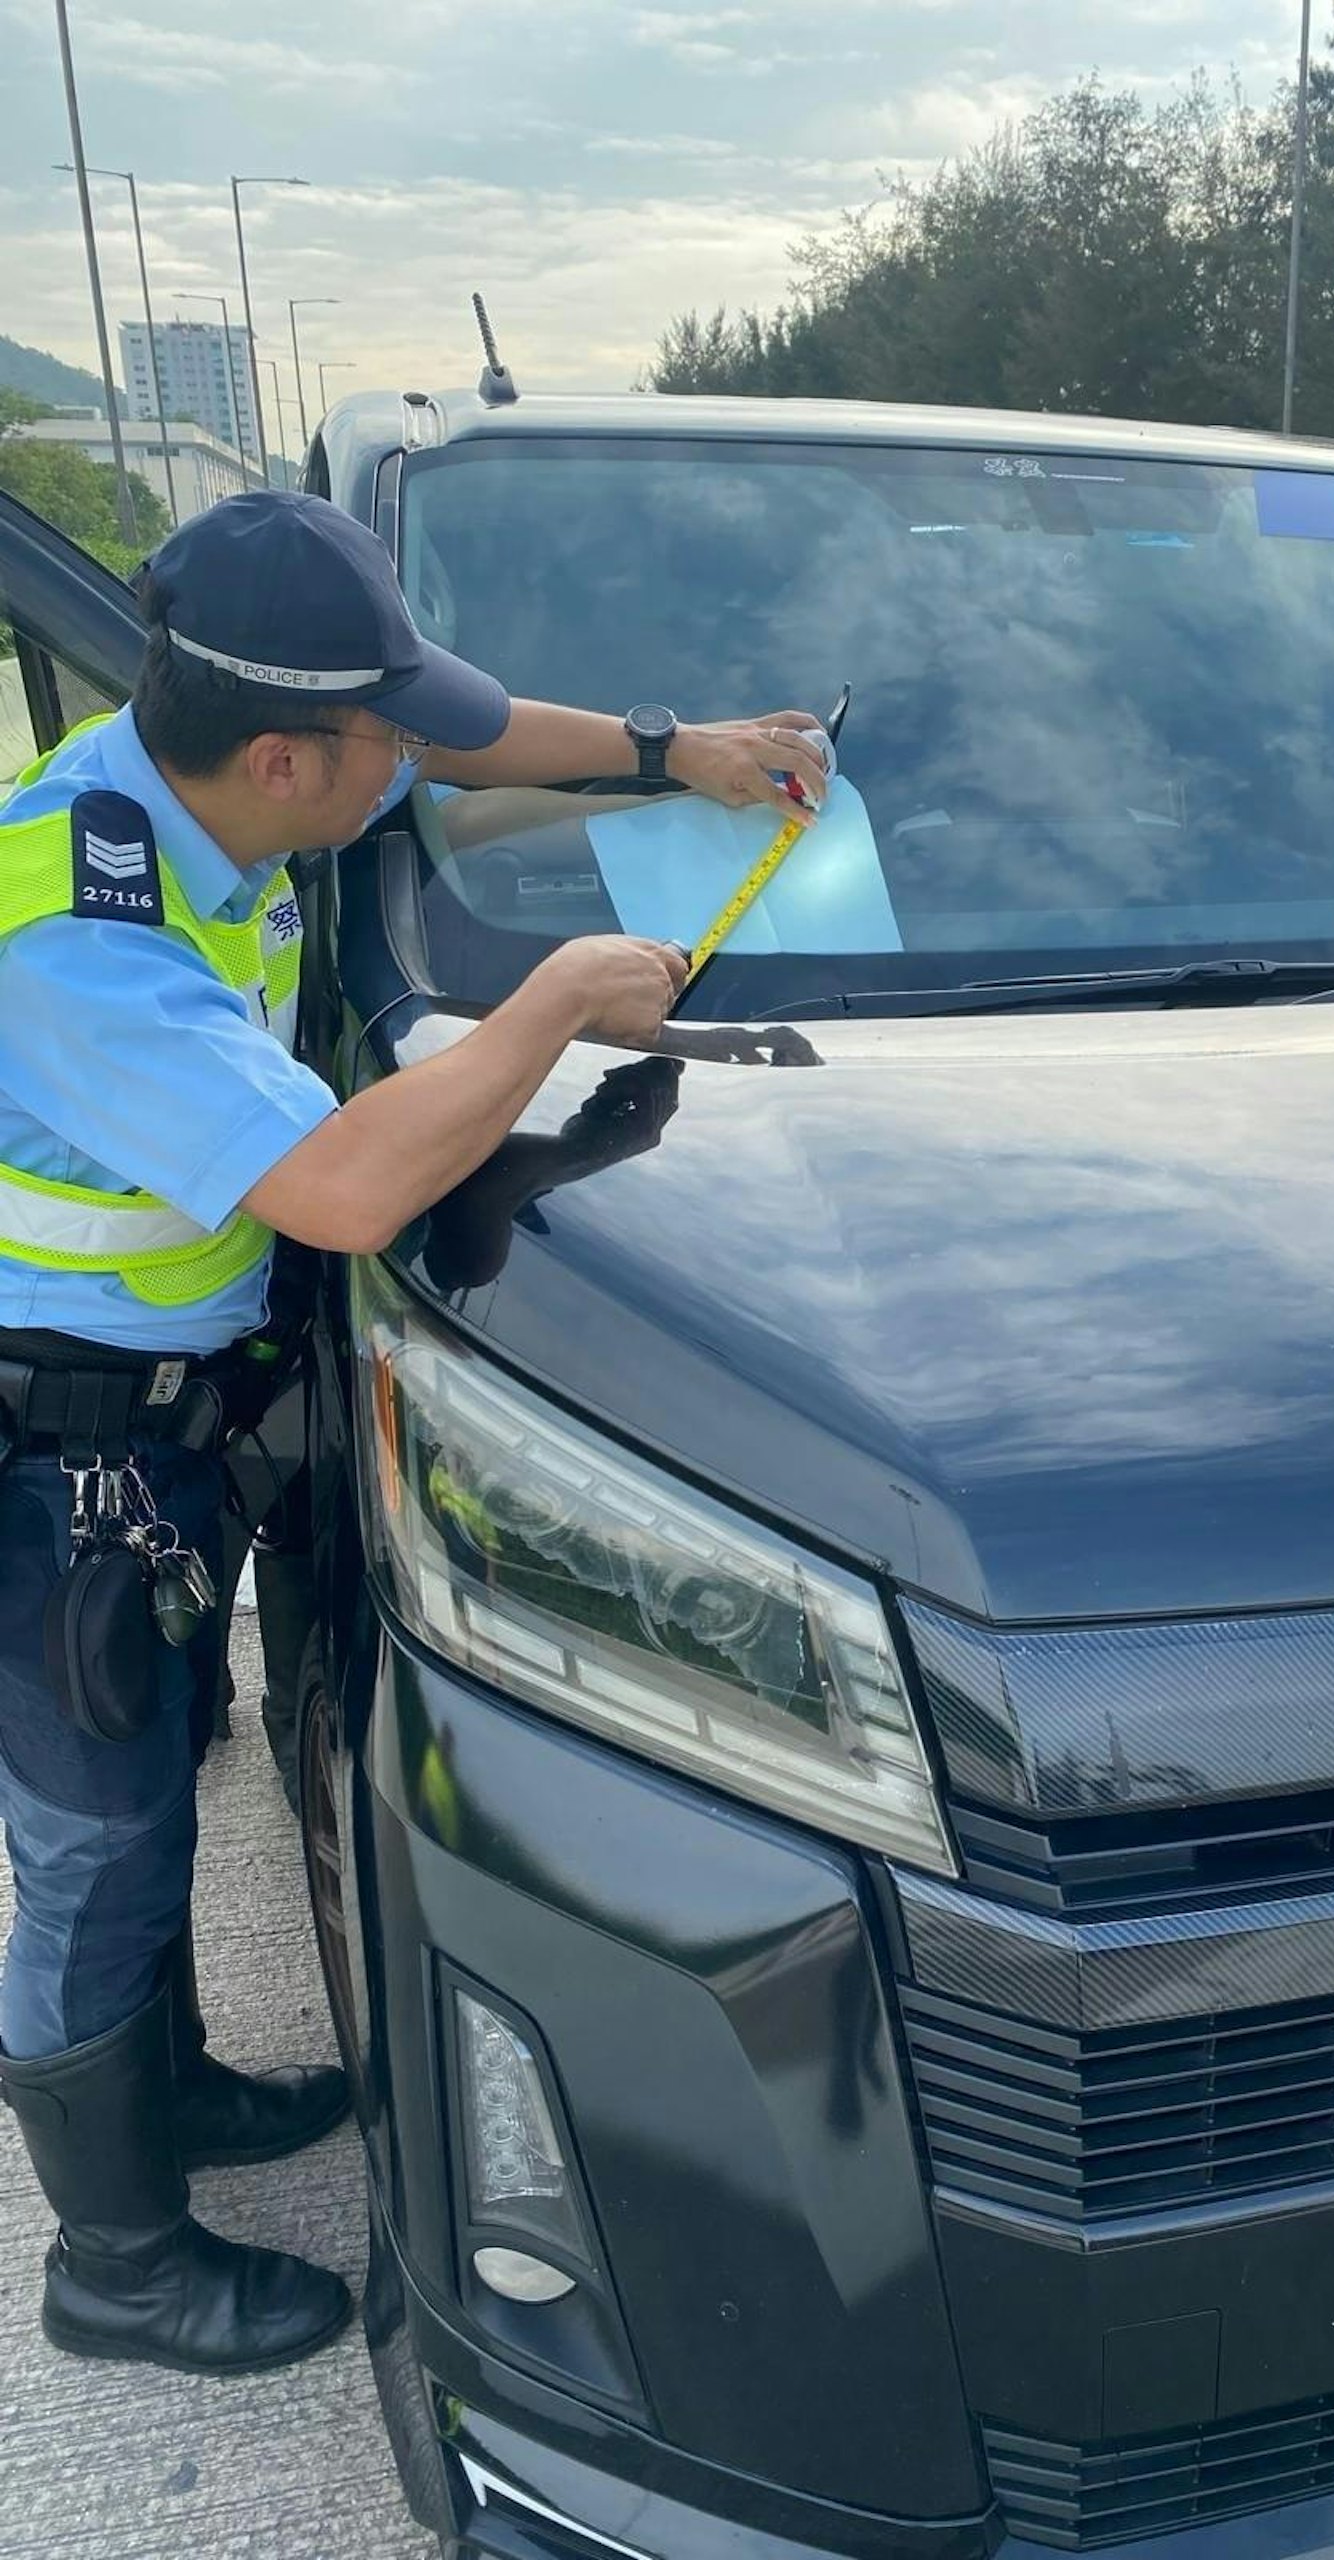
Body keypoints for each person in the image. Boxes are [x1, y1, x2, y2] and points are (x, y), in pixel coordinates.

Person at [0, 488, 826, 2378]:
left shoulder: (193, 779)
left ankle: (174, 2089)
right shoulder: (74, 942)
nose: (416, 766)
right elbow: (349, 1189)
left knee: (141, 1797)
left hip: (149, 1426)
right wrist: (551, 1002)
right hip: (52, 1461)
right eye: (383, 738)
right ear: (289, 759)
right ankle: (114, 2264)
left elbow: (472, 738)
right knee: (90, 1842)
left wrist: (677, 753)